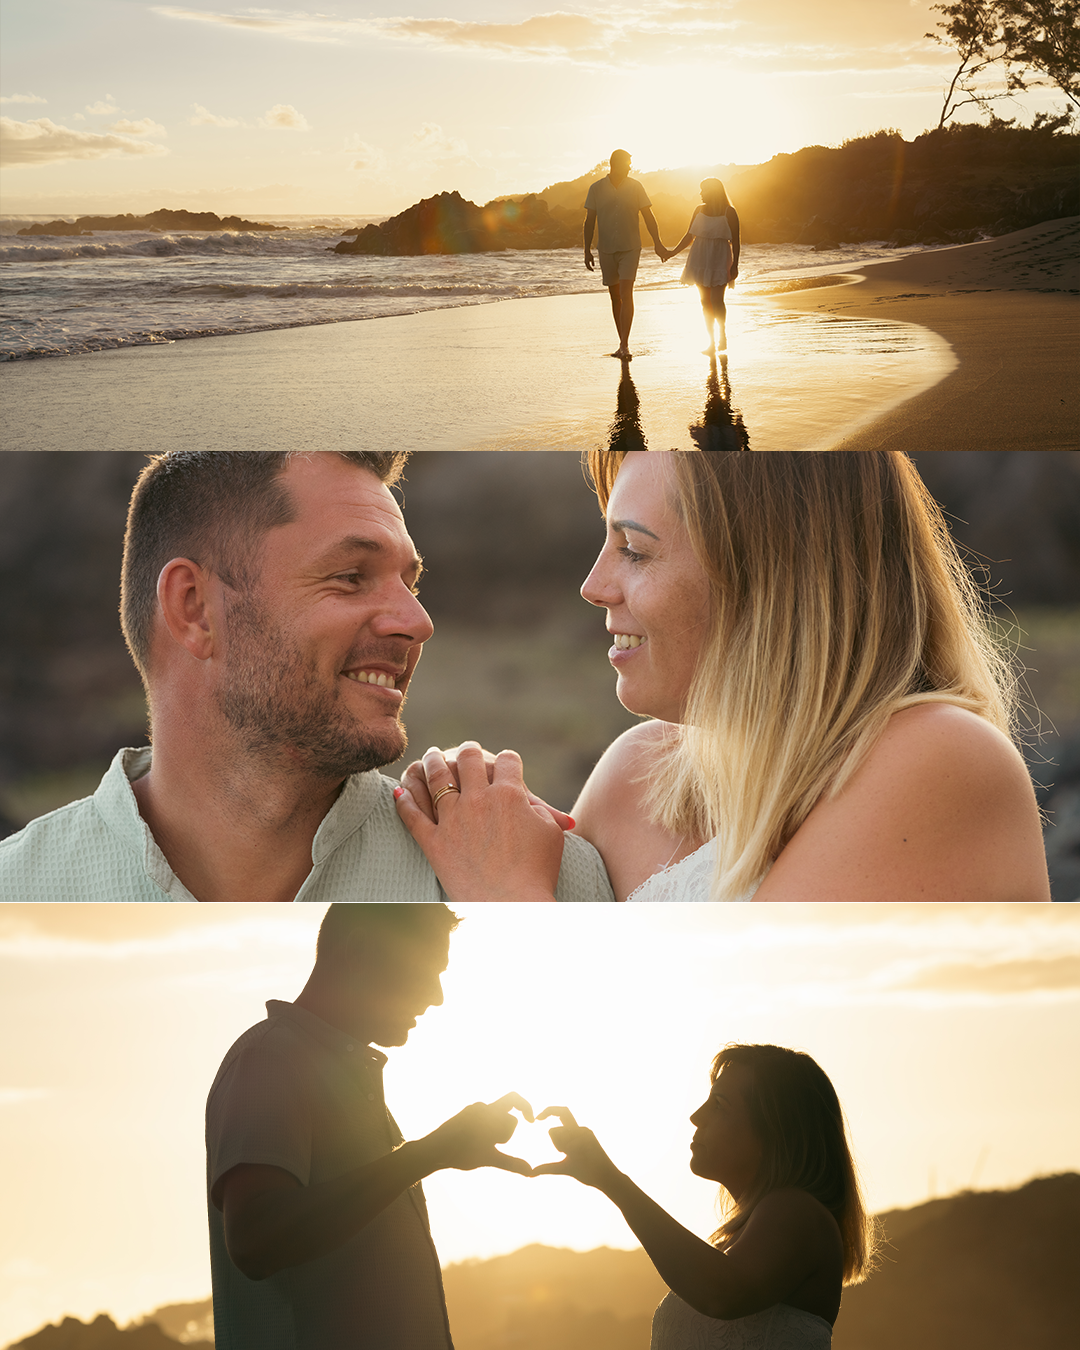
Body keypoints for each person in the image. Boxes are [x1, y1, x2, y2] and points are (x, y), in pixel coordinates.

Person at [395, 450, 1051, 901]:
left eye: (635, 551)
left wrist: (507, 896)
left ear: (774, 577)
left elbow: (748, 1052)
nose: (594, 587)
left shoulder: (939, 758)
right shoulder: (635, 778)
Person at [0, 450, 612, 903]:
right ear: (193, 607)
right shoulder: (19, 889)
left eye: (410, 582)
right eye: (350, 576)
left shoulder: (538, 877)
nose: (417, 621)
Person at [206, 901, 536, 1349]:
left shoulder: (347, 1080)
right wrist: (428, 1153)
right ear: (359, 952)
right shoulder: (270, 1058)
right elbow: (254, 1239)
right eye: (425, 968)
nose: (437, 995)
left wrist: (430, 1154)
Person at [532, 1044, 873, 1348]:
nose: (696, 1116)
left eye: (719, 1105)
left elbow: (723, 1293)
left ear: (776, 1131)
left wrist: (611, 1180)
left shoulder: (800, 1212)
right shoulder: (737, 1244)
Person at [584, 149, 666, 360]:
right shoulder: (596, 189)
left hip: (631, 247)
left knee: (626, 291)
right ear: (615, 164)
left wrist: (658, 243)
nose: (630, 167)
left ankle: (624, 344)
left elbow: (649, 216)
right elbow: (589, 221)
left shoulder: (636, 186)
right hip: (606, 248)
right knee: (614, 296)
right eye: (628, 163)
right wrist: (586, 249)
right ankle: (621, 341)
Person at [662, 179, 741, 353]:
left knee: (717, 300)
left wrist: (735, 264)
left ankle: (722, 335)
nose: (700, 193)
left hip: (720, 257)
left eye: (703, 190)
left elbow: (735, 240)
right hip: (699, 257)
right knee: (705, 301)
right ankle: (711, 342)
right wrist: (672, 252)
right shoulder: (698, 210)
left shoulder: (729, 212)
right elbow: (689, 236)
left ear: (713, 191)